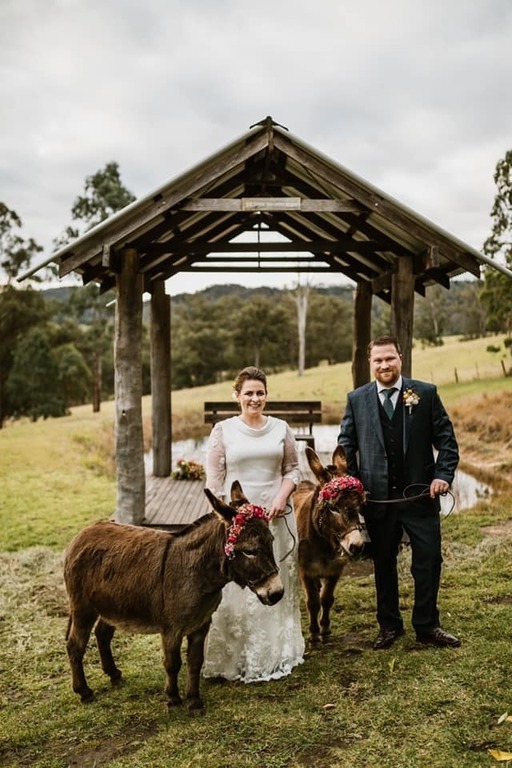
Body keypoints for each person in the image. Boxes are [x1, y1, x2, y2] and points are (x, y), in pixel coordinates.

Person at [337, 335, 461, 650]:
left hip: (421, 496)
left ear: (400, 358)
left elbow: (446, 442)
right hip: (376, 501)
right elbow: (346, 447)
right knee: (384, 562)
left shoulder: (425, 393)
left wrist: (442, 476)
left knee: (429, 560)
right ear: (370, 363)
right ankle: (389, 626)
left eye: (389, 358)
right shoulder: (357, 399)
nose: (384, 365)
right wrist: (352, 486)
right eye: (378, 360)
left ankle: (427, 626)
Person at [202, 366, 305, 682]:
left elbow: (293, 470)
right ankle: (234, 656)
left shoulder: (280, 428)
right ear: (237, 396)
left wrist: (281, 497)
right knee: (238, 584)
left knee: (275, 578)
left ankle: (275, 652)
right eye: (248, 393)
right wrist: (230, 518)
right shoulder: (223, 430)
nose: (255, 398)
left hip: (275, 517)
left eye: (260, 393)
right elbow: (214, 480)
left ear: (266, 396)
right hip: (240, 523)